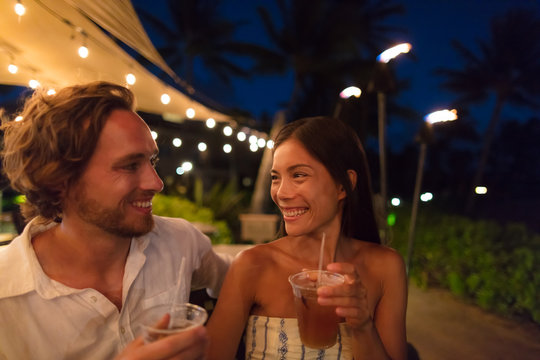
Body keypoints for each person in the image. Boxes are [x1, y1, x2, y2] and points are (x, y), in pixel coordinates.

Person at [0, 81, 230, 359]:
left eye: (152, 162)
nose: (156, 183)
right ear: (60, 181)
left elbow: (242, 275)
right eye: (130, 165)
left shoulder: (179, 241)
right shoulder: (7, 291)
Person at [206, 116, 408, 359]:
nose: (281, 193)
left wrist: (362, 324)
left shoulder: (386, 267)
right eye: (275, 177)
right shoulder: (252, 264)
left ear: (343, 186)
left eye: (299, 175)